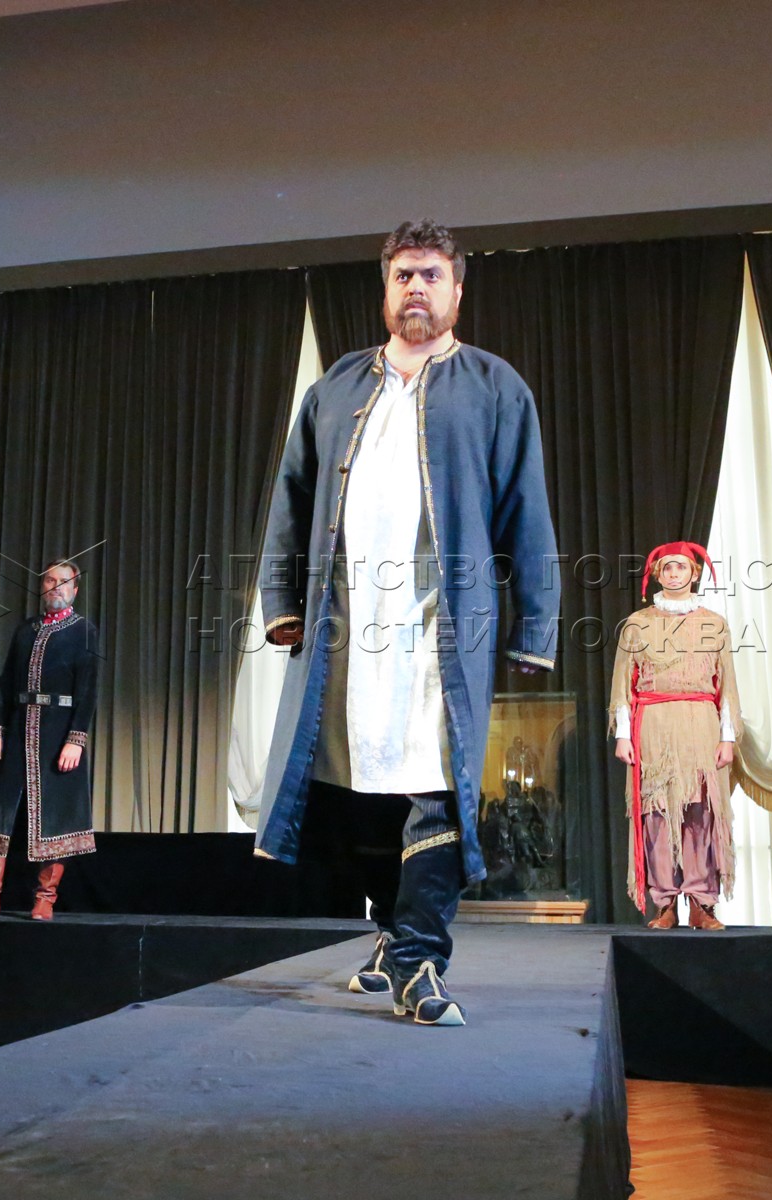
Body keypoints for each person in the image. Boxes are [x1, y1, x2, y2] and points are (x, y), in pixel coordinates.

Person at [256, 220, 560, 1026]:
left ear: (457, 289)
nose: (416, 288)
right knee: (354, 793)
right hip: (347, 632)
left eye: (431, 275)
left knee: (434, 788)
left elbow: (527, 511)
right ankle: (393, 934)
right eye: (403, 276)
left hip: (439, 635)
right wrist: (282, 605)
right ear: (385, 290)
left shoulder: (495, 387)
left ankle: (421, 959)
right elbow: (290, 501)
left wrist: (536, 626)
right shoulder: (335, 388)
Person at [0, 560, 100, 921]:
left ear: (75, 589)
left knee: (55, 817)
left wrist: (76, 739)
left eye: (63, 581)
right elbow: (6, 685)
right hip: (19, 731)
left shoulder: (84, 631)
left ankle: (45, 899)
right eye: (50, 580)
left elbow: (88, 690)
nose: (55, 587)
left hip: (57, 734)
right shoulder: (25, 630)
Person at [608, 542, 741, 930]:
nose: (674, 574)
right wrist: (623, 735)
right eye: (667, 568)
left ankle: (701, 902)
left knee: (700, 811)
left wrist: (728, 737)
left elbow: (727, 685)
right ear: (657, 575)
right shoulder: (637, 624)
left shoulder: (713, 623)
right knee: (657, 813)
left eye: (681, 567)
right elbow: (623, 684)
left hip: (700, 722)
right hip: (654, 722)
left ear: (694, 574)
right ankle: (665, 902)